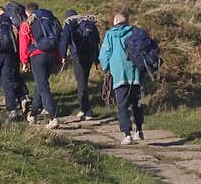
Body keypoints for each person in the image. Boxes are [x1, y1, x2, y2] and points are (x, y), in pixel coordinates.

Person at [98, 9, 144, 144]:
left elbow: (104, 54)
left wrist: (105, 67)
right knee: (136, 103)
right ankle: (139, 130)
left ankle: (127, 134)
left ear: (116, 21)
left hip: (119, 73)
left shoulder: (110, 35)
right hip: (134, 73)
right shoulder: (134, 32)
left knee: (122, 104)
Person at [19, 2, 61, 130]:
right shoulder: (51, 19)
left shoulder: (28, 22)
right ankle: (33, 113)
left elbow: (24, 42)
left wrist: (24, 61)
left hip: (37, 55)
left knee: (43, 86)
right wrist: (59, 60)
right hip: (51, 54)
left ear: (27, 12)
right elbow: (58, 39)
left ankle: (53, 116)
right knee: (40, 83)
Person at [60, 9, 100, 121]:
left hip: (78, 56)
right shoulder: (89, 24)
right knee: (84, 81)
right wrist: (96, 59)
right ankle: (86, 109)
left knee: (81, 83)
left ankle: (85, 110)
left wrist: (63, 56)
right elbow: (97, 40)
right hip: (90, 56)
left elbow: (64, 40)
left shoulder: (69, 23)